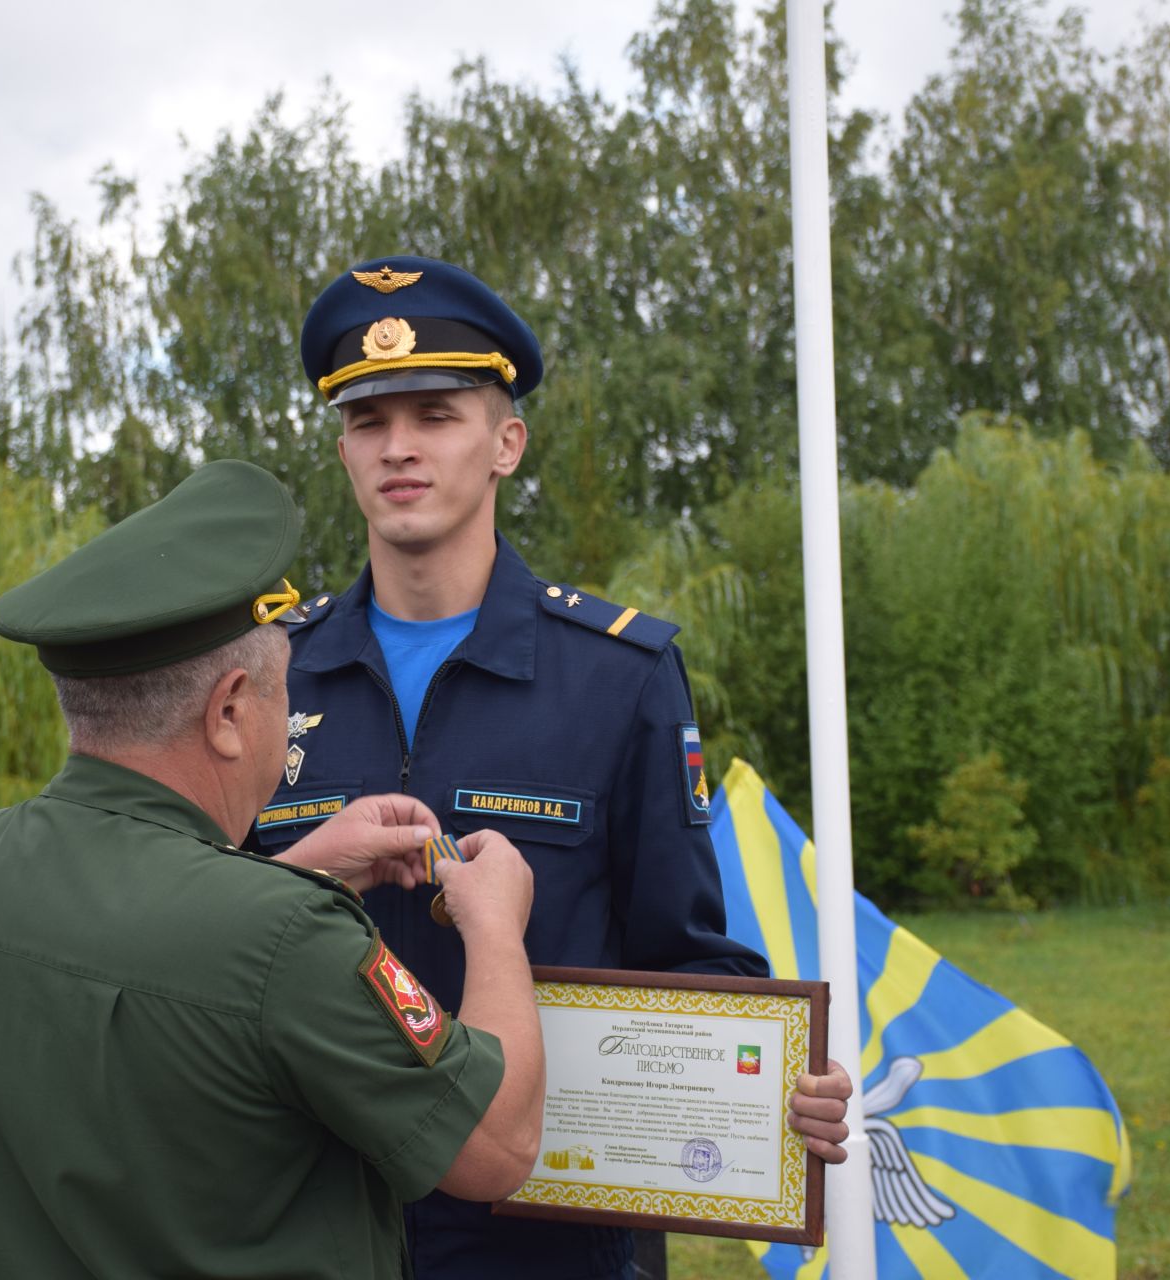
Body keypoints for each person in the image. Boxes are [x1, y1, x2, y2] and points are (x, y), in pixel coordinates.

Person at [250, 256, 853, 1279]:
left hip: (548, 1243)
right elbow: (192, 933)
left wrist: (770, 1082)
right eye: (366, 421)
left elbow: (683, 949)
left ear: (506, 443)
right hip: (306, 1225)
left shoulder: (617, 675)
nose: (397, 446)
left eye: (436, 413)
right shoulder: (265, 672)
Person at [0, 458, 547, 1279]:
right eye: (286, 699)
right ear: (232, 710)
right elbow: (493, 1145)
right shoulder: (285, 939)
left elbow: (160, 947)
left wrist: (295, 873)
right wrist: (495, 923)